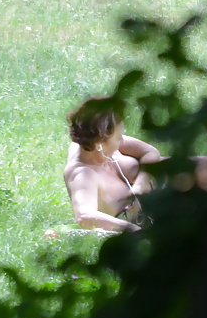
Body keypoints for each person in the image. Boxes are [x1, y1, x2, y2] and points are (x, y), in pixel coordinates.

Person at [63, 97, 161, 233]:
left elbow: (150, 152)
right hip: (150, 221)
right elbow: (84, 215)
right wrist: (132, 230)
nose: (122, 141)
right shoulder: (84, 175)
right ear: (100, 144)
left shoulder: (96, 141)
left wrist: (139, 186)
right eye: (119, 138)